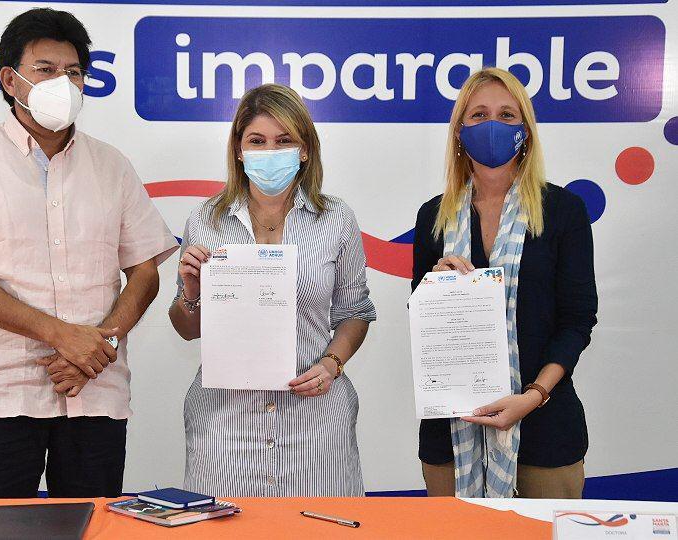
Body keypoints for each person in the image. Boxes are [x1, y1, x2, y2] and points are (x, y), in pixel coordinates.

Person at [0, 8, 178, 498]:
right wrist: (63, 336)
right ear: (10, 80)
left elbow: (145, 271)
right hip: (1, 393)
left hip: (95, 391)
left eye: (74, 72)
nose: (64, 82)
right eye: (45, 69)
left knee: (94, 526)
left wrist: (96, 346)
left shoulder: (112, 165)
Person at [168, 84, 376, 496]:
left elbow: (355, 312)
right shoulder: (205, 219)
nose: (270, 151)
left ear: (304, 150)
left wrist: (332, 363)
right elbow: (187, 329)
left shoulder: (337, 218)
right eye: (257, 141)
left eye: (284, 141)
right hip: (225, 425)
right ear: (239, 150)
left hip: (316, 421)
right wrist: (192, 291)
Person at [411, 67, 598, 498]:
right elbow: (421, 322)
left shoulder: (563, 210)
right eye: (478, 115)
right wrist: (435, 292)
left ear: (525, 131)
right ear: (460, 132)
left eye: (506, 115)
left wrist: (533, 396)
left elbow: (577, 321)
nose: (492, 125)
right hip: (451, 431)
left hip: (544, 426)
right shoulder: (433, 216)